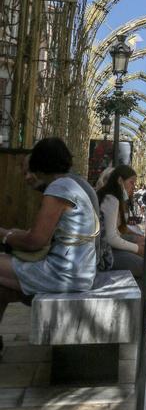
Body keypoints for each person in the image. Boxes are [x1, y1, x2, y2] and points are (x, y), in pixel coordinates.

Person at [0, 138, 98, 351]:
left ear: (40, 161)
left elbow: (36, 240)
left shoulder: (58, 188)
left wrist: (5, 237)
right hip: (78, 272)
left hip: (63, 274)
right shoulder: (70, 184)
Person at [97, 165, 145, 280]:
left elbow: (118, 230)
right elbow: (111, 238)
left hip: (106, 248)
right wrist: (137, 248)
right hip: (104, 254)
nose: (134, 187)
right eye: (131, 182)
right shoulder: (111, 199)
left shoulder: (113, 198)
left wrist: (137, 241)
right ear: (120, 181)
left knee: (144, 246)